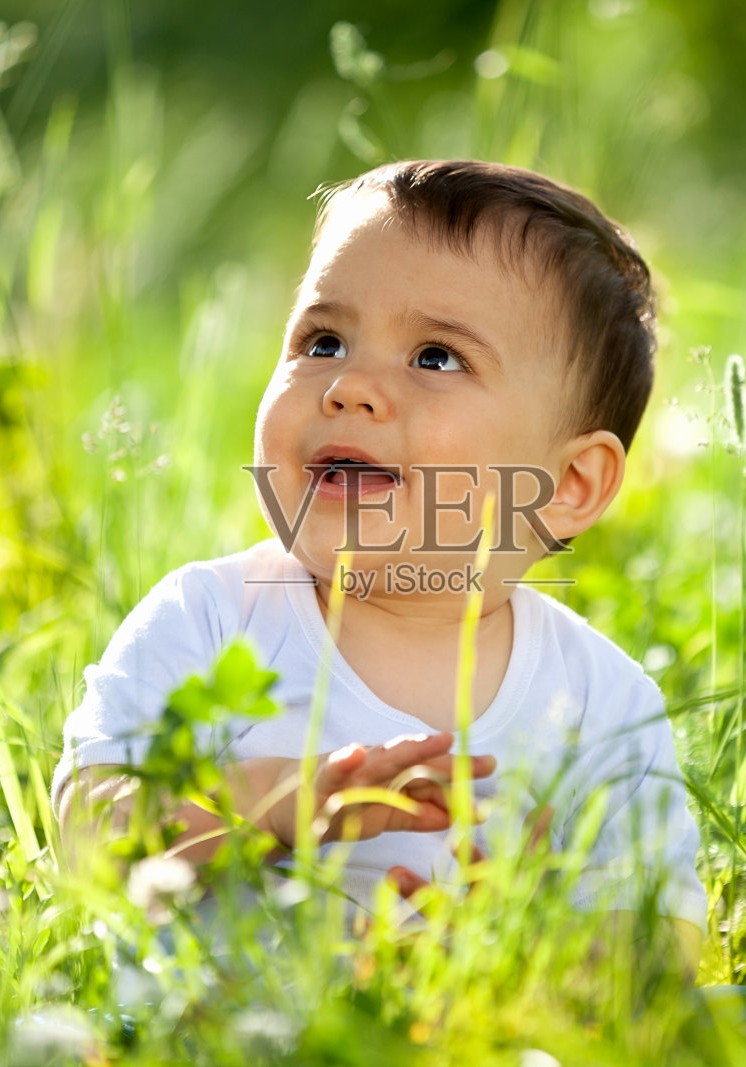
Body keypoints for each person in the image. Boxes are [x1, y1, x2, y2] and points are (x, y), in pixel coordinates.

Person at [55, 159, 705, 969]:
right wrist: (274, 802)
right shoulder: (211, 619)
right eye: (323, 340)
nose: (350, 386)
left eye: (435, 357)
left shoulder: (600, 704)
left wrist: (529, 940)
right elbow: (88, 832)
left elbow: (664, 945)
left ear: (568, 484)